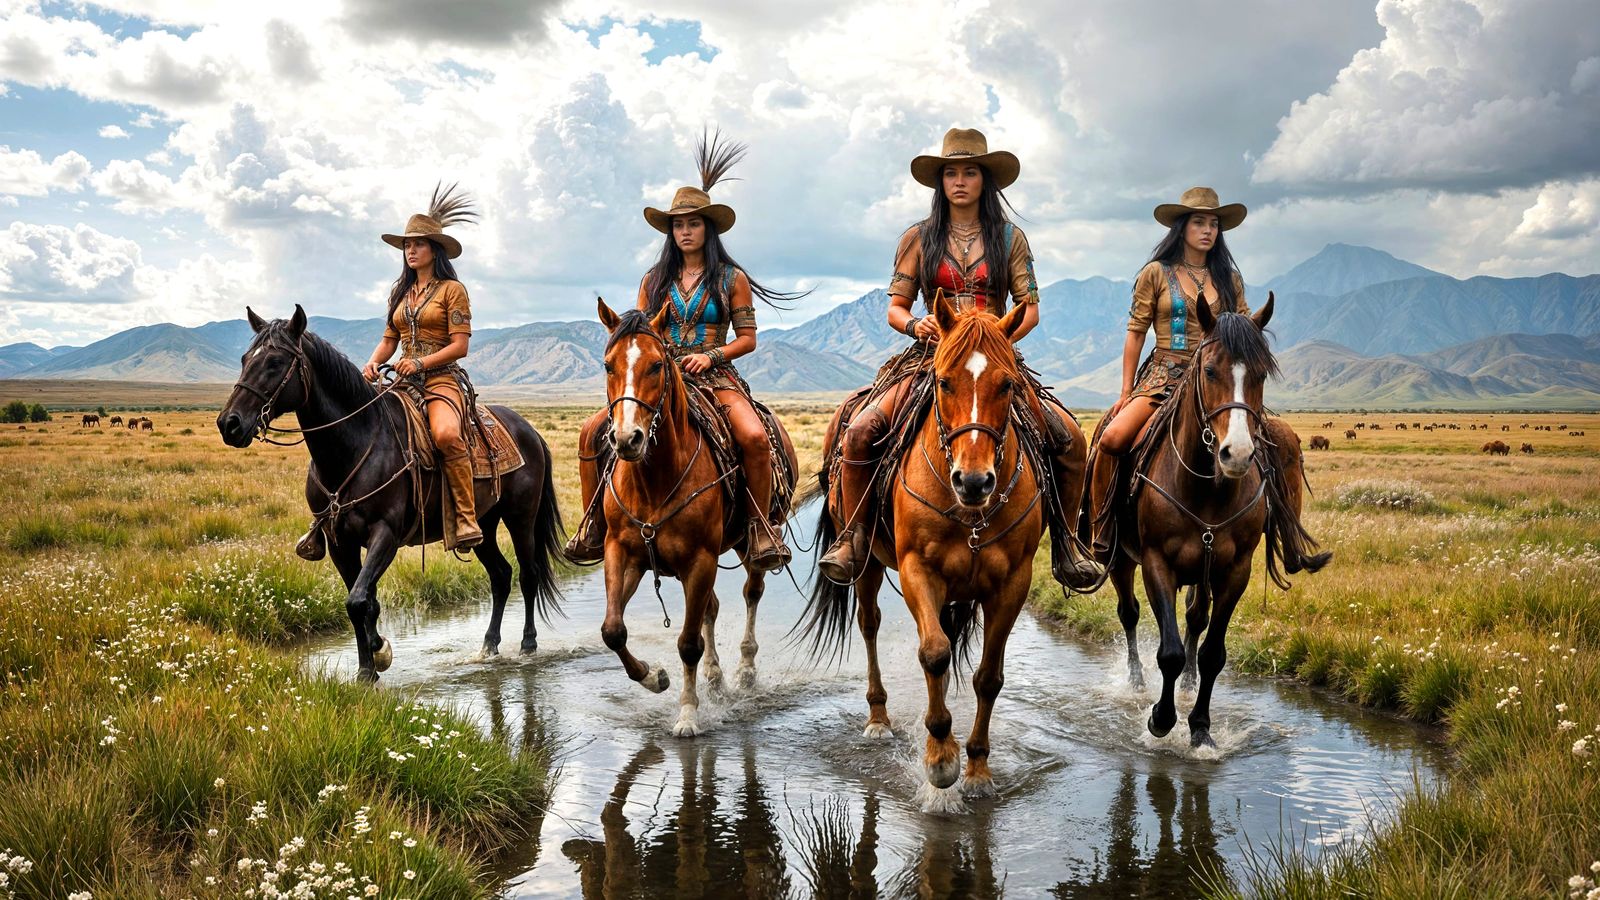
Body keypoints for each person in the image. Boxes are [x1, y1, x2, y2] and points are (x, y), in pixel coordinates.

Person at [816, 127, 1101, 589]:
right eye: (952, 173)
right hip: (934, 356)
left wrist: (1000, 342)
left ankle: (1068, 542)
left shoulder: (1011, 238)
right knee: (863, 430)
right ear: (940, 182)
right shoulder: (918, 238)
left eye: (970, 172)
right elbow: (895, 308)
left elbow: (1030, 310)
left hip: (993, 360)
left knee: (1066, 435)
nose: (961, 181)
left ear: (985, 180)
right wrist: (915, 325)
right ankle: (854, 538)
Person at [565, 132, 805, 571]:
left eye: (693, 224)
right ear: (669, 231)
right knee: (590, 431)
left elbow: (748, 339)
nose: (685, 232)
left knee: (753, 436)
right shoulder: (652, 281)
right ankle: (593, 526)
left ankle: (760, 528)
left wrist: (712, 356)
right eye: (678, 224)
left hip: (715, 379)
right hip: (658, 378)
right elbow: (637, 337)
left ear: (708, 229)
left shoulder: (731, 278)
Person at [1087, 186, 1326, 572]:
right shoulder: (1155, 274)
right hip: (1164, 377)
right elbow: (1135, 332)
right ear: (1181, 227)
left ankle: (1288, 538)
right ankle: (1103, 531)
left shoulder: (1228, 278)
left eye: (1214, 224)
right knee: (1112, 438)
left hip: (1219, 383)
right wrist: (1126, 390)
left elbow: (1247, 329)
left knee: (1282, 442)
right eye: (1199, 222)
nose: (1208, 230)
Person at [362, 184, 483, 548]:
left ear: (435, 250)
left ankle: (464, 517)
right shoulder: (400, 293)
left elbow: (460, 346)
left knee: (446, 435)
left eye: (417, 244)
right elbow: (389, 340)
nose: (410, 250)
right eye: (406, 245)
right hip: (401, 380)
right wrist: (372, 363)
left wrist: (420, 362)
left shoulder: (452, 291)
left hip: (441, 380)